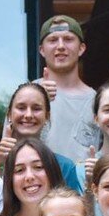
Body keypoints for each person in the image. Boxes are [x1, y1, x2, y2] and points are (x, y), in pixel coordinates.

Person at [0, 82, 83, 192]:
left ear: (47, 116)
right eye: (21, 107)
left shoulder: (64, 166)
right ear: (9, 114)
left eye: (36, 108)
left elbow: (73, 208)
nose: (28, 115)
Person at [35, 14, 101, 161]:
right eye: (52, 40)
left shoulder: (98, 100)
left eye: (68, 39)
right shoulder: (26, 95)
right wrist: (38, 100)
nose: (60, 46)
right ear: (42, 50)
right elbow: (12, 147)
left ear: (81, 48)